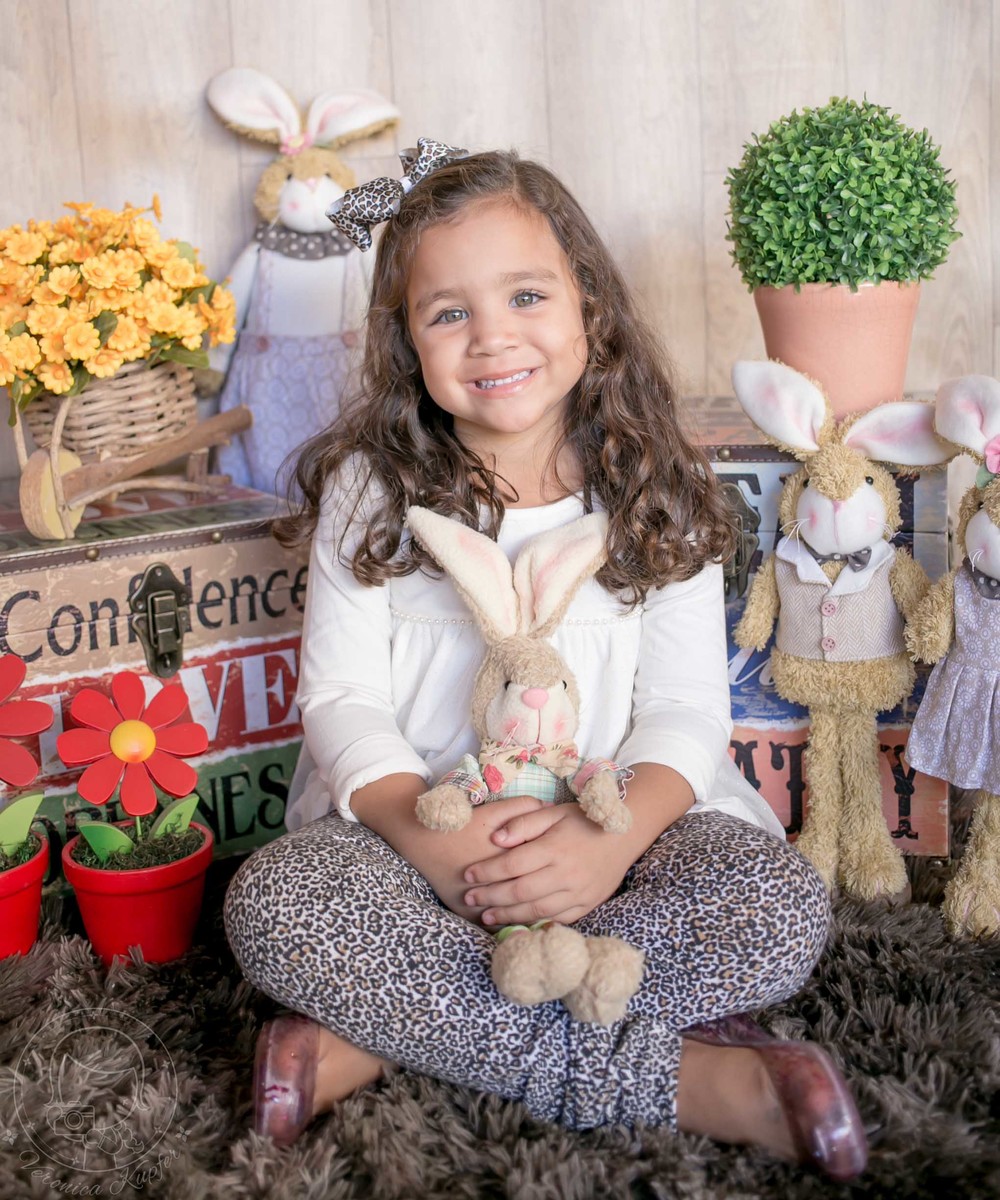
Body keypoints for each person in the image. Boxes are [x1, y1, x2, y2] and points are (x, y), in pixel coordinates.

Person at [223, 141, 868, 1181]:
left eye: (526, 295)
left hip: (616, 839)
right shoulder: (371, 487)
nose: (492, 337)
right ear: (405, 343)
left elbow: (686, 711)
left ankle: (388, 1032)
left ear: (590, 311)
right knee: (276, 905)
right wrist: (429, 840)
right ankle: (684, 1080)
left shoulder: (655, 485)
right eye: (448, 313)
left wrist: (606, 849)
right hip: (415, 847)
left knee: (776, 908)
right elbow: (342, 699)